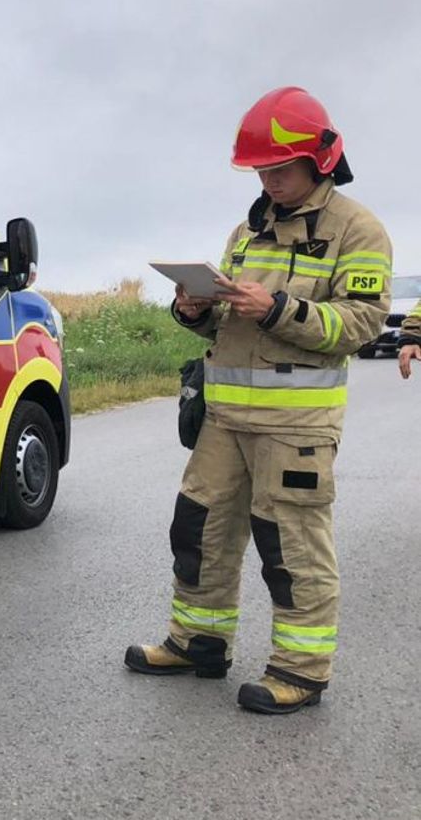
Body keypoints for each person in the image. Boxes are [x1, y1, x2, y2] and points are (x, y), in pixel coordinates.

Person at [125, 87, 392, 713]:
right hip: (224, 421)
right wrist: (195, 310)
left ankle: (300, 670)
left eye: (280, 169)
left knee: (291, 546)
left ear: (320, 160)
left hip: (295, 427)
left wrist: (277, 309)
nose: (268, 181)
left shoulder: (358, 230)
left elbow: (360, 325)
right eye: (260, 171)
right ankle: (198, 642)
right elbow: (227, 328)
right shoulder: (247, 230)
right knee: (200, 531)